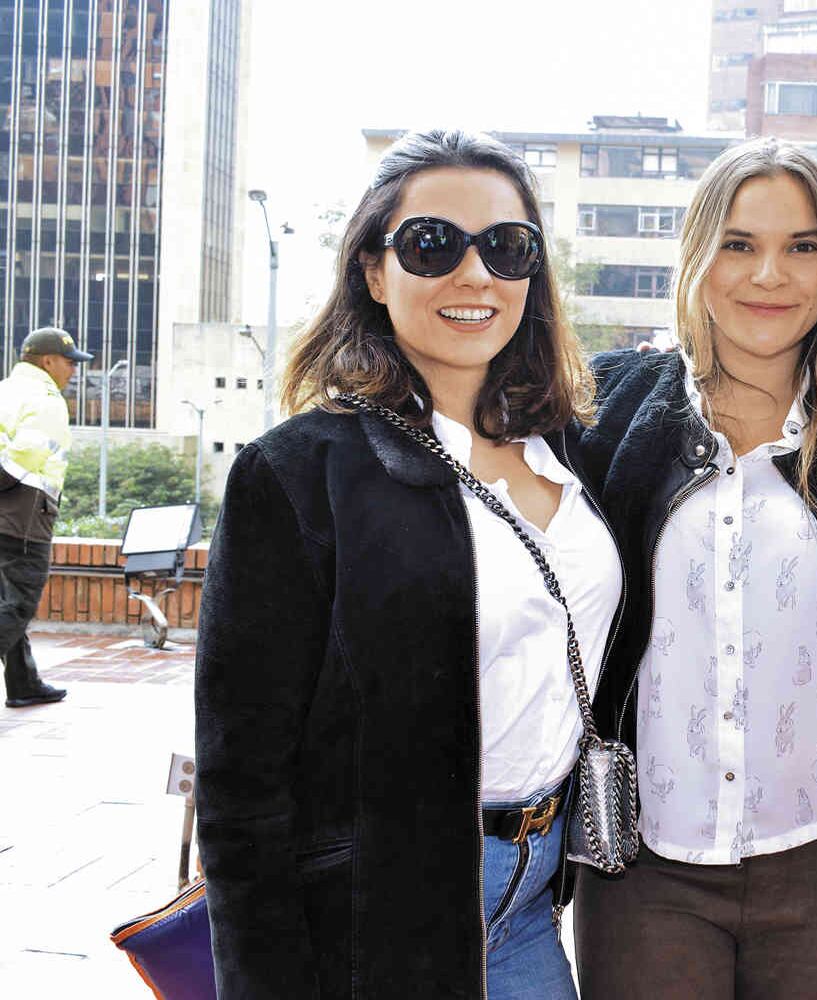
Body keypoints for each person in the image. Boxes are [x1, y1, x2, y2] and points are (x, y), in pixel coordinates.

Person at [194, 130, 622, 999]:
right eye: (433, 245)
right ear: (373, 271)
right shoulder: (299, 472)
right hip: (377, 917)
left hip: (537, 899)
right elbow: (241, 784)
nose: (475, 277)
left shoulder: (574, 452)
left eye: (506, 249)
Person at [571, 137, 817, 998]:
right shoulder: (604, 414)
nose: (771, 274)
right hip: (643, 869)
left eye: (802, 246)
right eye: (740, 244)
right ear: (698, 257)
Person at [1, 327, 92, 708]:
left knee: (4, 599)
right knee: (18, 602)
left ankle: (24, 682)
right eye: (69, 362)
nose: (73, 370)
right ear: (47, 360)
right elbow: (25, 458)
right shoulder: (47, 398)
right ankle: (24, 682)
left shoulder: (7, 388)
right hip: (24, 513)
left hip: (9, 511)